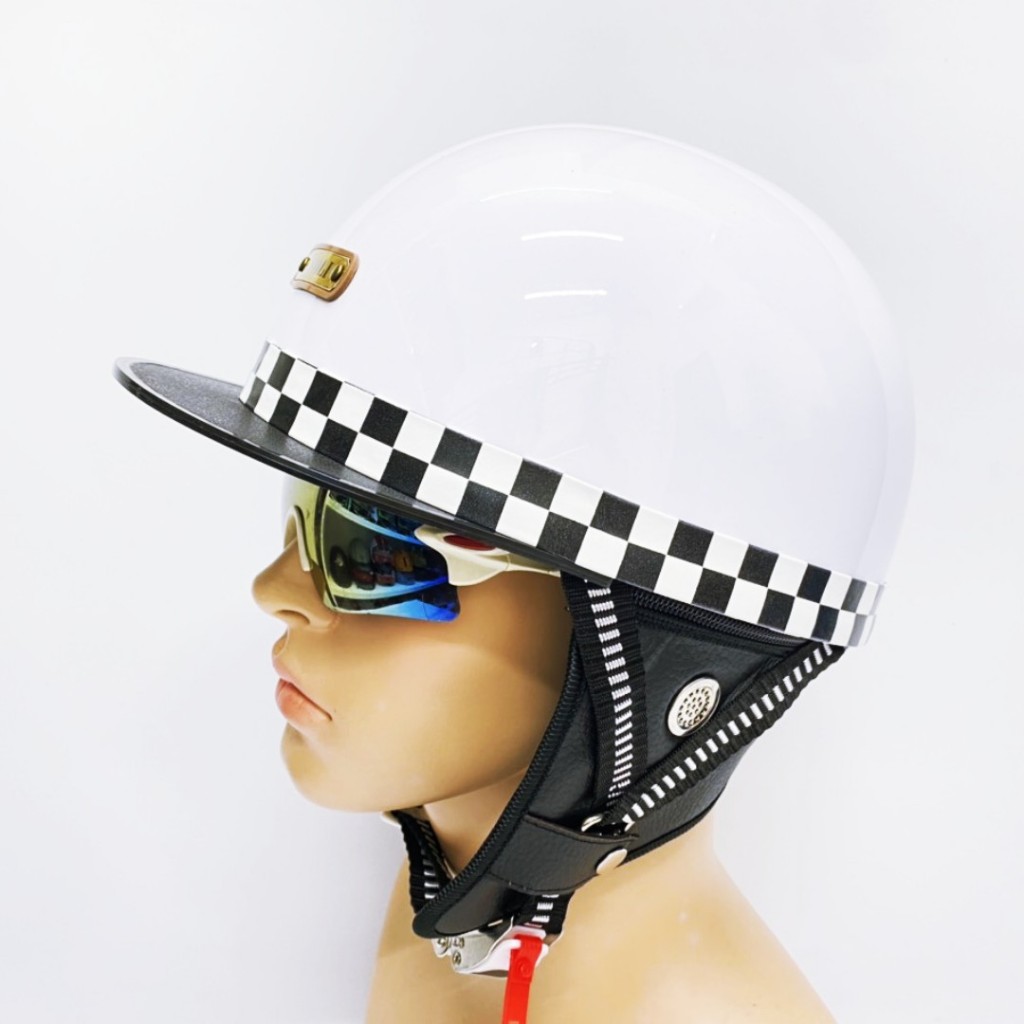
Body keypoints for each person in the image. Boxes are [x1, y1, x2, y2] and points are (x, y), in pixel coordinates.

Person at [114, 123, 914, 1023]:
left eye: (371, 550)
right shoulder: (443, 905)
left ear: (654, 650)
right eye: (303, 509)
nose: (275, 592)